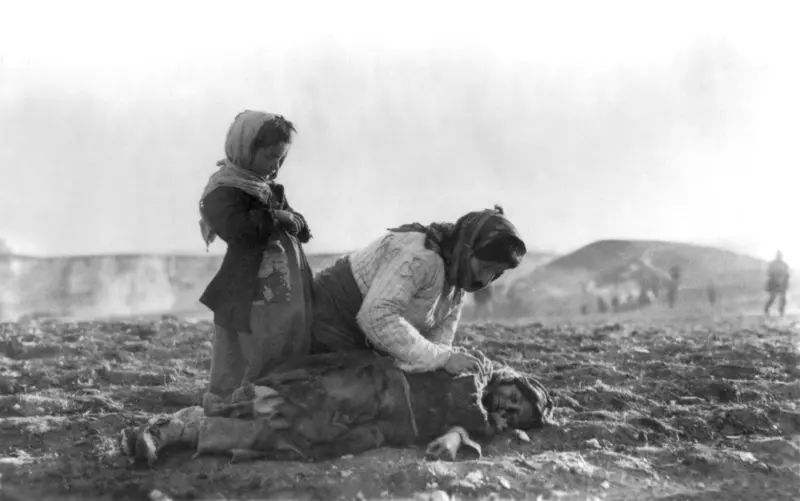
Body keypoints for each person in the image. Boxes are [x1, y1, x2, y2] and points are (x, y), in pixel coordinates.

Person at [118, 350, 554, 464]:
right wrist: (477, 423)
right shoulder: (478, 370)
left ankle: (179, 433)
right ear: (510, 380)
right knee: (290, 403)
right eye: (515, 396)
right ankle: (172, 426)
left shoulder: (483, 423)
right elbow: (464, 395)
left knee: (297, 440)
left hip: (382, 427)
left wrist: (459, 437)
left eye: (517, 413)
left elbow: (461, 430)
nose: (509, 406)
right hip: (375, 387)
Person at [310, 205, 527, 374]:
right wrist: (442, 359)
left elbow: (438, 342)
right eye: (485, 267)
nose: (484, 279)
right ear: (468, 248)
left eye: (496, 273)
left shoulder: (456, 284)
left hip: (367, 335)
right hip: (331, 316)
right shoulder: (421, 256)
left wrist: (444, 360)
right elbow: (376, 316)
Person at [197, 110, 314, 411]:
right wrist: (276, 217)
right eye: (270, 157)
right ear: (245, 149)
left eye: (281, 159)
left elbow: (296, 225)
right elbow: (236, 230)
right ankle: (233, 406)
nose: (275, 166)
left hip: (281, 289)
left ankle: (267, 400)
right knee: (246, 348)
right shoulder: (223, 192)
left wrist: (297, 222)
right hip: (248, 288)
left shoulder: (268, 189)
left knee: (280, 343)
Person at [764, 250, 790, 317]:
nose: (779, 256)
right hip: (774, 283)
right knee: (773, 297)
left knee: (783, 298)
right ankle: (766, 309)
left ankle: (781, 311)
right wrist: (775, 278)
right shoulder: (773, 263)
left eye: (780, 255)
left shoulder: (784, 264)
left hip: (782, 283)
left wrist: (783, 280)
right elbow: (769, 273)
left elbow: (787, 274)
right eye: (778, 255)